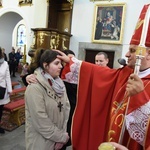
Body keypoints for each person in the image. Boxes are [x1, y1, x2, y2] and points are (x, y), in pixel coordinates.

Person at [56, 4, 150, 150]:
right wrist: (74, 63)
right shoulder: (126, 73)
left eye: (132, 50)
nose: (126, 54)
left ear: (148, 54)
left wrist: (140, 97)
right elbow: (101, 75)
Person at [25, 49, 70, 150]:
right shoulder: (34, 87)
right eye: (56, 63)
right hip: (42, 142)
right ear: (46, 65)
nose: (61, 66)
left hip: (58, 139)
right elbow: (40, 120)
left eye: (61, 63)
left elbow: (66, 110)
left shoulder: (60, 85)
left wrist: (61, 135)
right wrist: (61, 137)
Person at [0, 47, 12, 134]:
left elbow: (7, 77)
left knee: (0, 110)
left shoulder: (5, 64)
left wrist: (10, 89)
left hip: (1, 89)